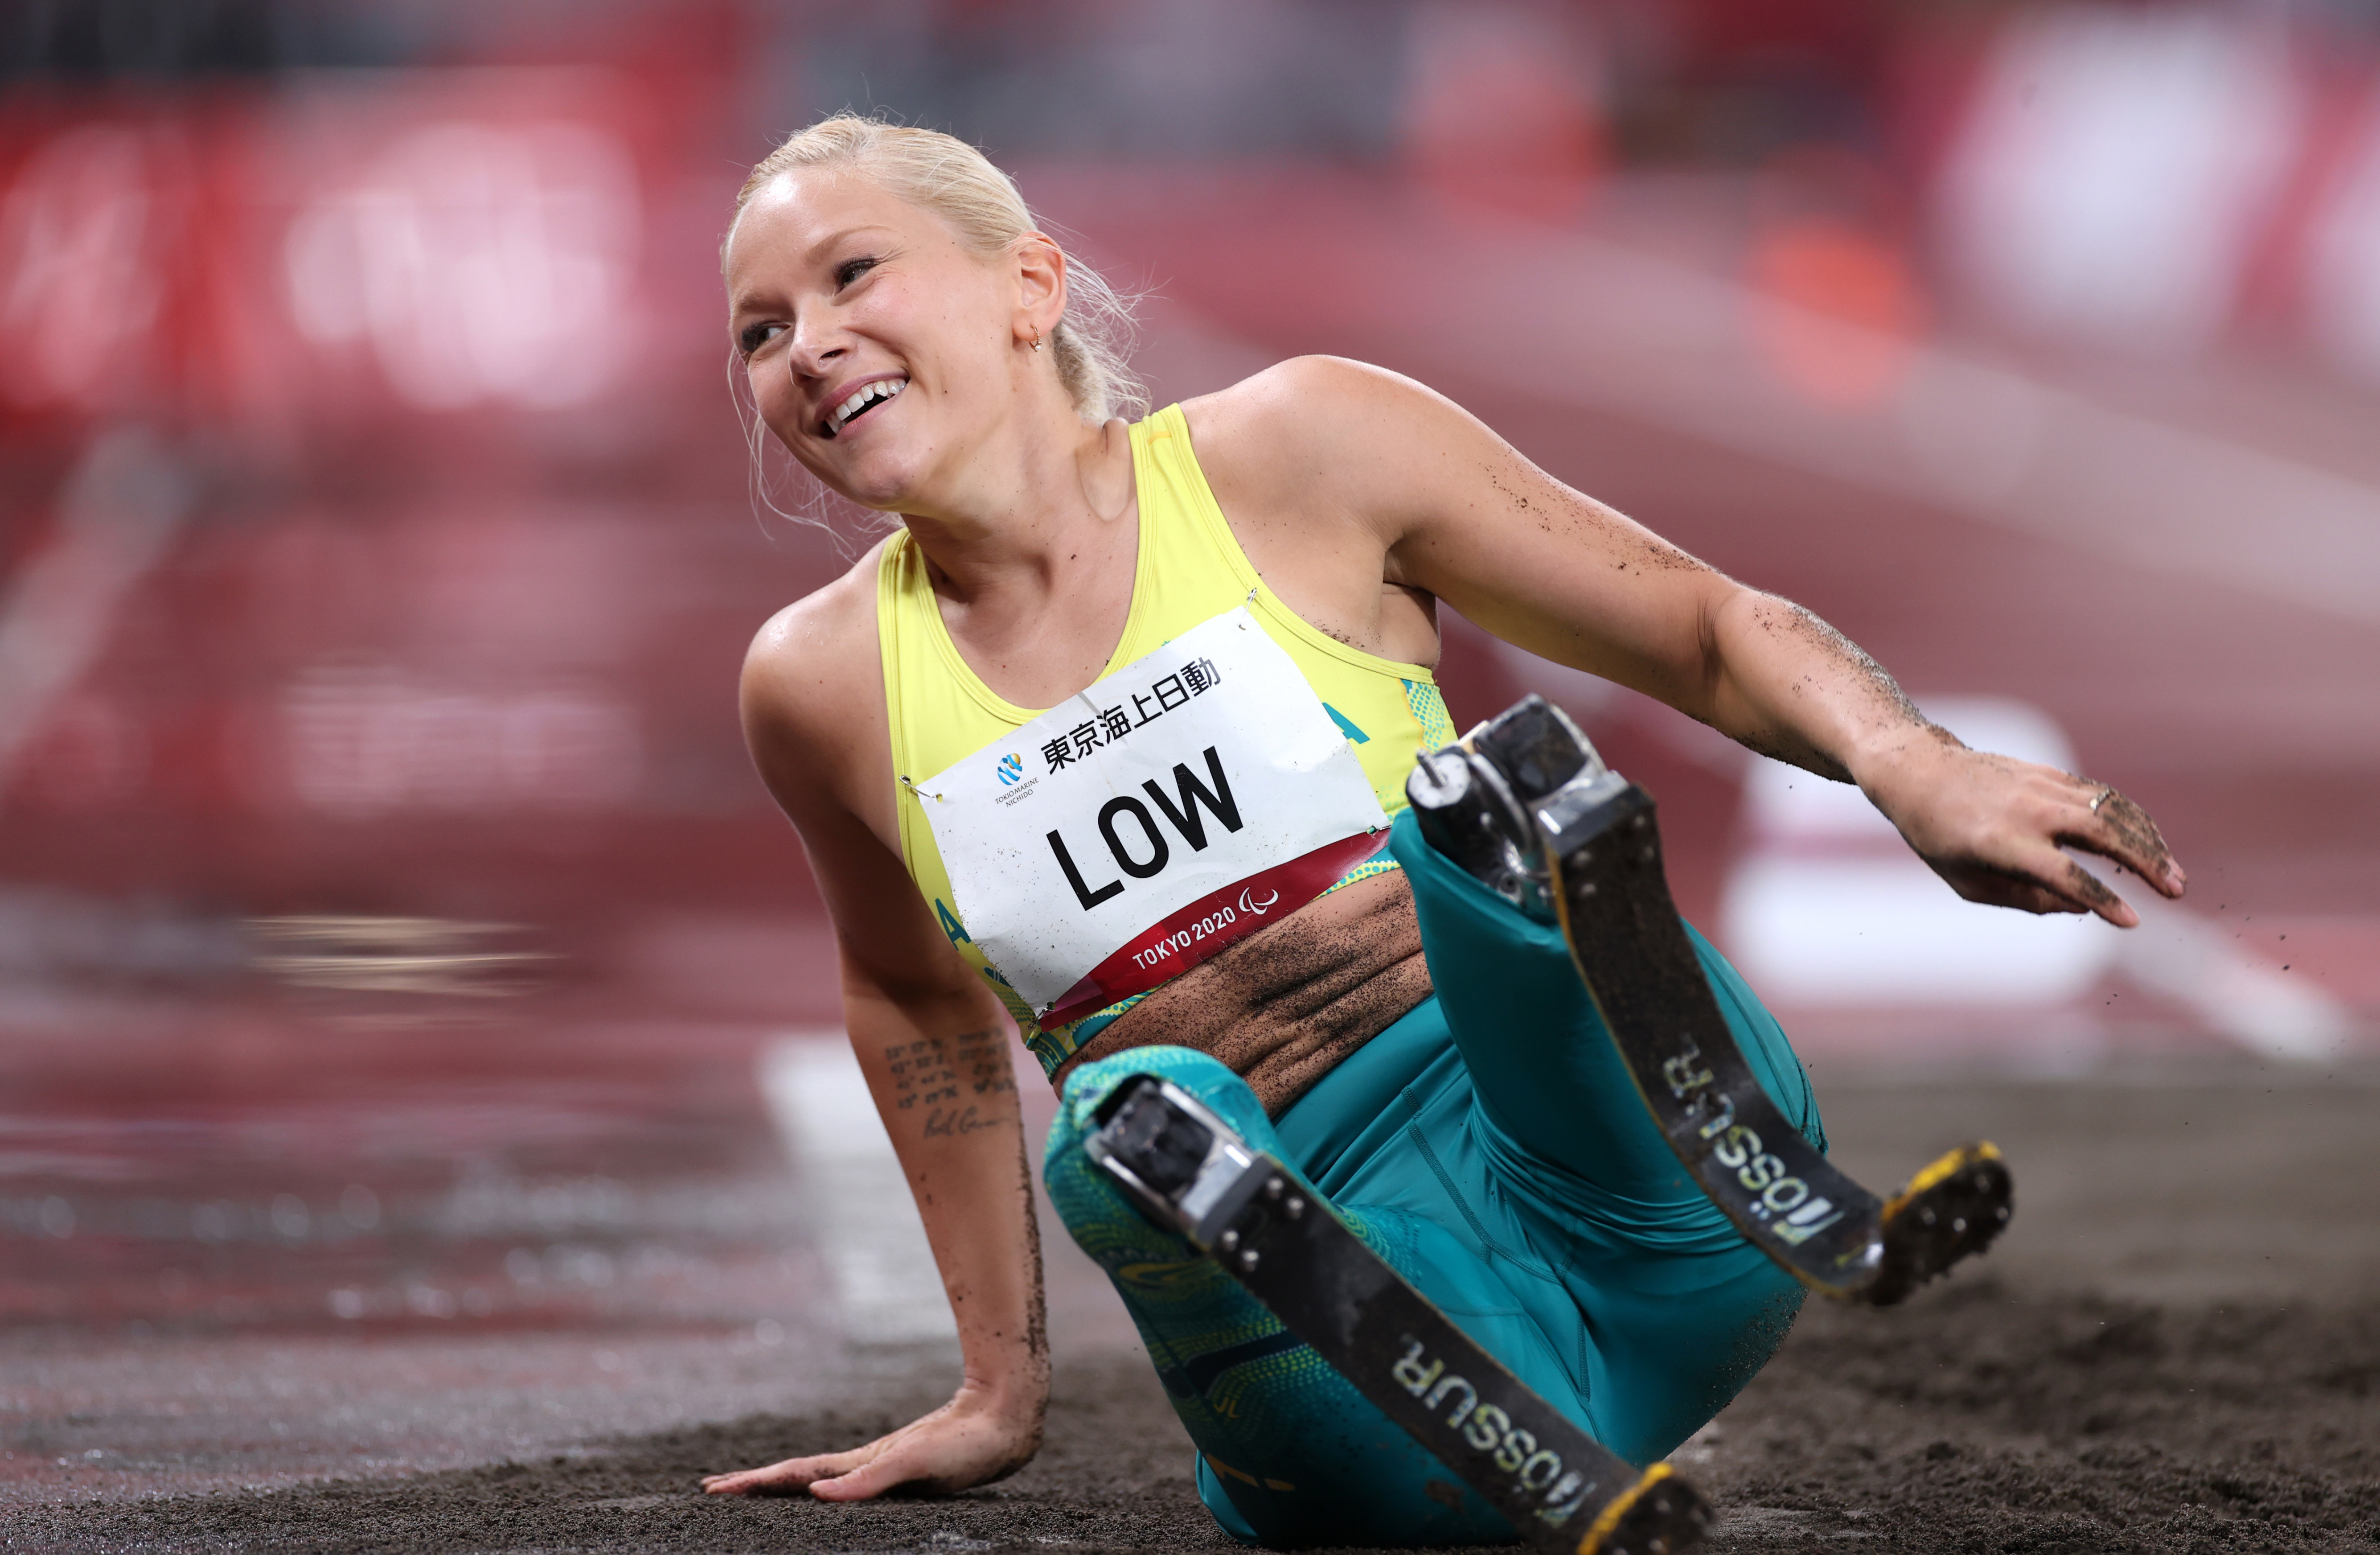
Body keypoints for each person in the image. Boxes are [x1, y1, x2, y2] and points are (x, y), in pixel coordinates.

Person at [698, 115, 2183, 1546]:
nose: (808, 345)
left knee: (1491, 813)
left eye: (849, 275)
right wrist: (996, 1386)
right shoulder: (821, 686)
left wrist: (1911, 763)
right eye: (759, 332)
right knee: (1122, 1132)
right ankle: (1436, 1387)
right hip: (1370, 1353)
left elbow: (1699, 623)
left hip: (1619, 1174)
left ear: (1031, 285)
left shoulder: (1300, 452)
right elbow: (909, 998)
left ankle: (1756, 1171)